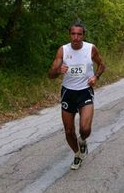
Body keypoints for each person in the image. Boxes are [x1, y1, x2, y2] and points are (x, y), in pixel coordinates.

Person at [48, 21, 105, 170]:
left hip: (85, 91)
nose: (76, 37)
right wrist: (58, 70)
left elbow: (101, 65)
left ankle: (83, 140)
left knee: (85, 129)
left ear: (83, 35)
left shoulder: (90, 48)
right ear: (69, 35)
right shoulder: (63, 50)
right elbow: (50, 74)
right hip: (68, 92)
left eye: (79, 34)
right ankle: (77, 154)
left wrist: (96, 77)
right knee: (68, 131)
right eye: (73, 34)